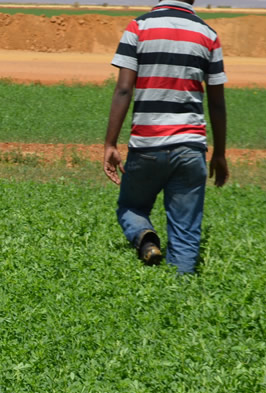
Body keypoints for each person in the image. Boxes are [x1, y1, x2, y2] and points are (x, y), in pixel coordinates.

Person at [104, 0, 228, 274]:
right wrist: (219, 153)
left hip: (147, 145)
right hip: (190, 147)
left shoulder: (139, 27)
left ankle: (145, 238)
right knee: (185, 233)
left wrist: (110, 143)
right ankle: (181, 295)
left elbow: (124, 90)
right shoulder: (208, 35)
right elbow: (217, 104)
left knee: (130, 206)